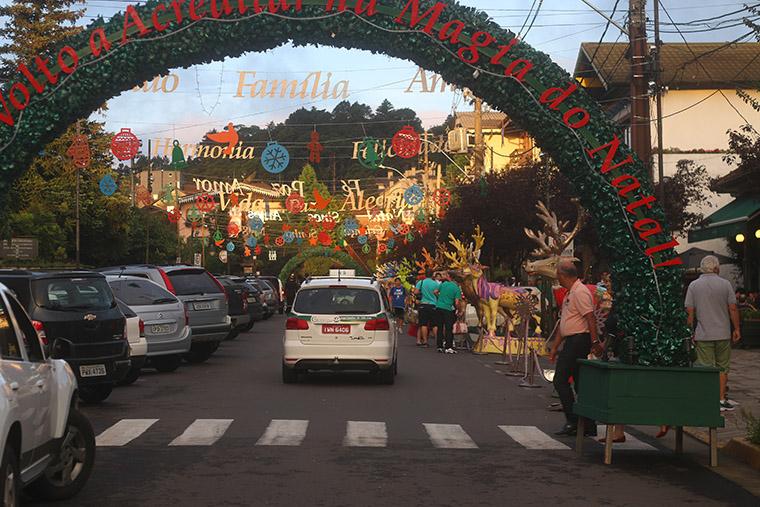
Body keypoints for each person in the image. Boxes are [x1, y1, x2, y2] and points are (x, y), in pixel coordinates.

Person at [550, 259, 601, 437]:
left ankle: (573, 420)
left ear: (564, 275)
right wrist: (555, 346)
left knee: (560, 379)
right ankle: (587, 423)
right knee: (580, 382)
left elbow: (590, 318)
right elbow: (564, 322)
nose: (557, 278)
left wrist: (594, 342)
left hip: (579, 340)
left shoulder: (580, 292)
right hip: (573, 339)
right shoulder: (570, 293)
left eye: (558, 275)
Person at [685, 255, 741, 411]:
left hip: (703, 334)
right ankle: (721, 398)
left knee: (706, 367)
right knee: (723, 367)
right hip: (723, 332)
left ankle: (708, 398)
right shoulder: (725, 284)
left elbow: (690, 312)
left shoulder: (694, 286)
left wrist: (689, 332)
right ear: (716, 268)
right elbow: (733, 308)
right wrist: (736, 329)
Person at [434, 271, 463, 354]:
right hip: (448, 308)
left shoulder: (443, 284)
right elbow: (457, 302)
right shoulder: (456, 288)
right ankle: (448, 346)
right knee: (448, 328)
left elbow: (435, 291)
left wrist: (439, 298)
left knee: (440, 327)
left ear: (449, 276)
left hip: (439, 307)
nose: (444, 276)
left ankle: (439, 346)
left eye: (446, 275)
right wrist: (459, 310)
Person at [415, 270, 440, 347]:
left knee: (423, 324)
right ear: (432, 275)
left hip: (423, 305)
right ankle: (438, 341)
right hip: (433, 305)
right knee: (435, 324)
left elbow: (415, 292)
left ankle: (425, 341)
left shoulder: (421, 282)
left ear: (425, 275)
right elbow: (437, 293)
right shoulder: (435, 283)